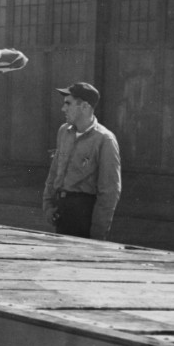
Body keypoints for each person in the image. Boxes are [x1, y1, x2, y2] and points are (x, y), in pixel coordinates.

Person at [41, 81, 122, 240]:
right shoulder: (64, 132)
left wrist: (97, 234)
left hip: (84, 216)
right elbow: (54, 173)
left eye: (68, 104)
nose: (63, 109)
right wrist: (48, 206)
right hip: (61, 212)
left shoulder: (105, 140)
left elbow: (109, 192)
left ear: (84, 107)